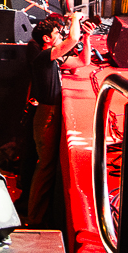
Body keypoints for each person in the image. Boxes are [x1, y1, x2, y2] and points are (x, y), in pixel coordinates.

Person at [24, 15, 81, 228]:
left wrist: (88, 35)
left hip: (50, 113)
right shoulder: (44, 56)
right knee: (45, 167)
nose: (61, 36)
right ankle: (35, 218)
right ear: (47, 39)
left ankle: (37, 216)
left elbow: (82, 62)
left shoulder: (52, 57)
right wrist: (75, 19)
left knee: (46, 166)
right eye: (57, 34)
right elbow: (73, 39)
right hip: (47, 115)